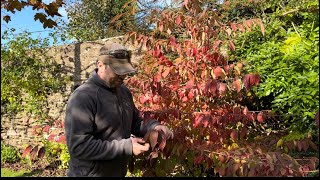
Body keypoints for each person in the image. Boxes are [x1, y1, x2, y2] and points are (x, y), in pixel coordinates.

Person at [64, 42, 174, 177]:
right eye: (118, 71)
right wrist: (126, 147)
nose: (123, 76)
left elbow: (135, 121)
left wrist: (154, 126)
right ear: (100, 65)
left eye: (125, 71)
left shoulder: (123, 92)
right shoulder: (83, 97)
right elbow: (79, 146)